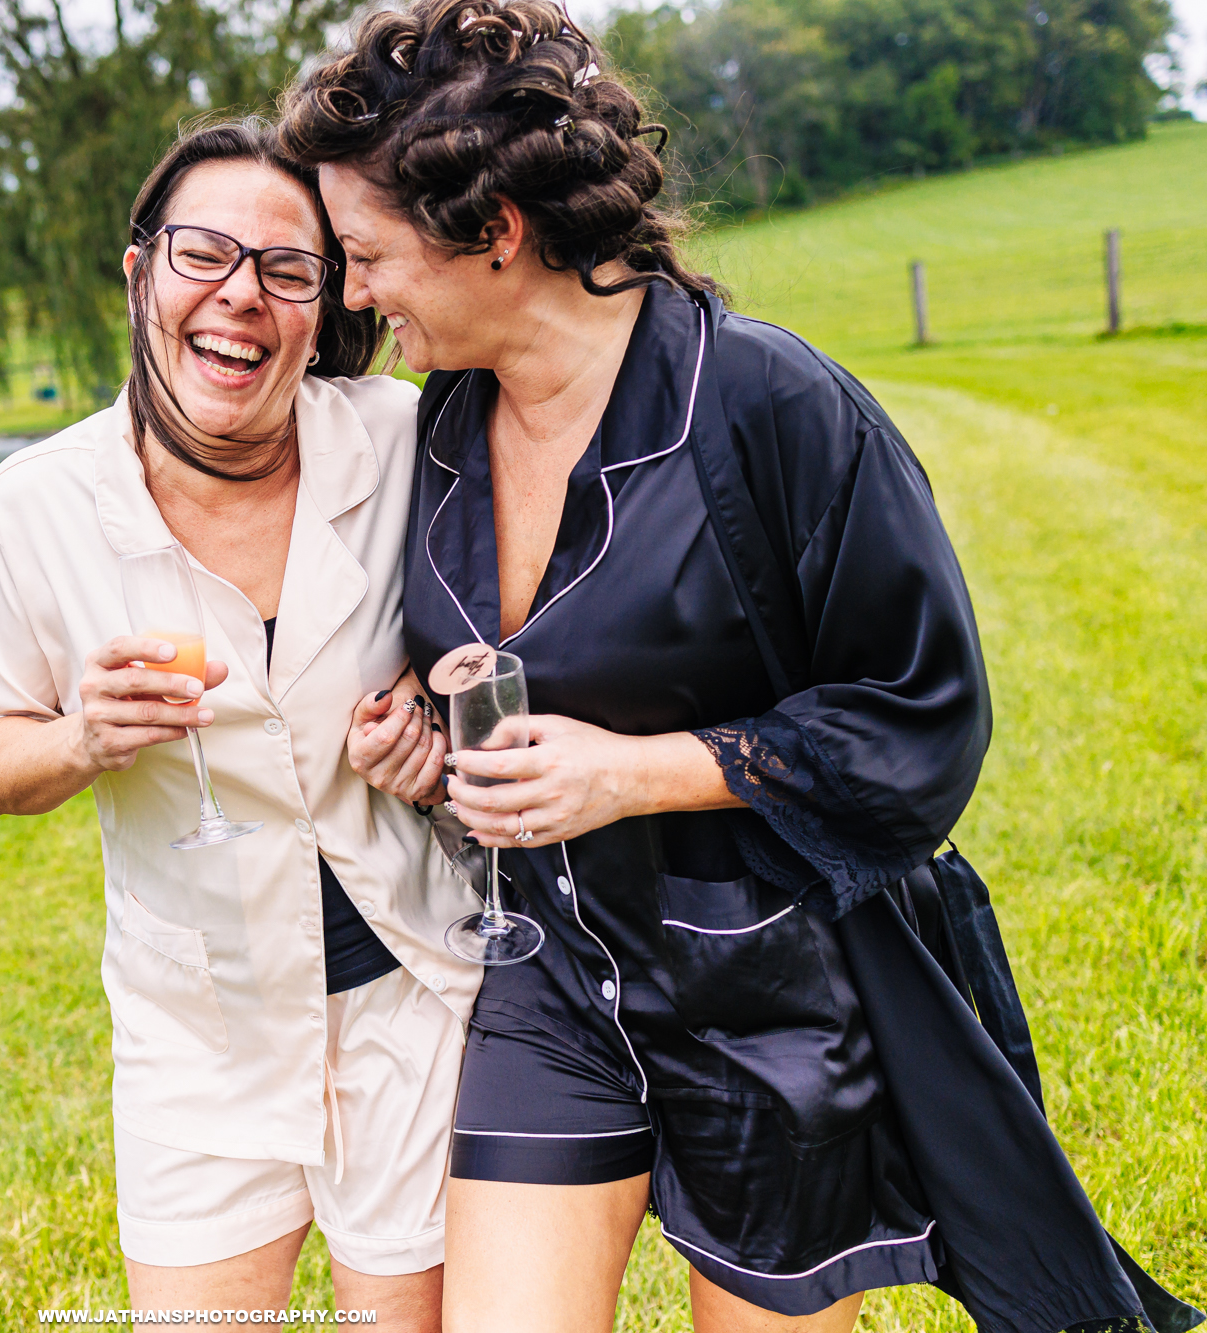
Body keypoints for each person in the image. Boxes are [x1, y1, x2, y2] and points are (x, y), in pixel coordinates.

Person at [280, 4, 1205, 1333]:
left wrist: (641, 773)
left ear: (495, 233)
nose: (354, 295)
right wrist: (429, 745)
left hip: (769, 995)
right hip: (548, 973)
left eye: (366, 256)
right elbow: (491, 687)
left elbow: (920, 718)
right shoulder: (446, 427)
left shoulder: (772, 406)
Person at [0, 118, 475, 1328]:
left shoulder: (399, 441)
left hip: (405, 1001)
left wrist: (435, 751)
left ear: (323, 300)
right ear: (140, 276)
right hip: (199, 1029)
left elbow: (506, 660)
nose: (241, 295)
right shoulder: (37, 507)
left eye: (287, 270)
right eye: (202, 254)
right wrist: (80, 738)